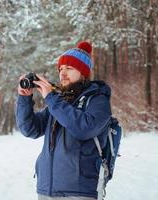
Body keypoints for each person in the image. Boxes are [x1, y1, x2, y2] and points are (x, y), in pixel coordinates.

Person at [15, 41, 112, 200]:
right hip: (47, 189)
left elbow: (85, 128)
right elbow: (29, 129)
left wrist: (51, 99)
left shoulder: (97, 99)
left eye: (69, 68)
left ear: (83, 73)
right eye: (61, 69)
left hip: (78, 191)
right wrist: (24, 99)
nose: (63, 73)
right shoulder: (60, 102)